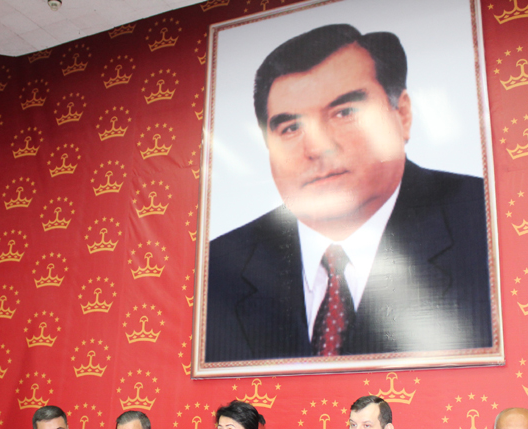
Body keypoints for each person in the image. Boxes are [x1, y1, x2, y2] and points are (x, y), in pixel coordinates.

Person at [205, 23, 492, 361]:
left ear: (402, 114)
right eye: (291, 127)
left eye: (344, 113)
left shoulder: (488, 224)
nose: (317, 147)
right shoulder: (218, 268)